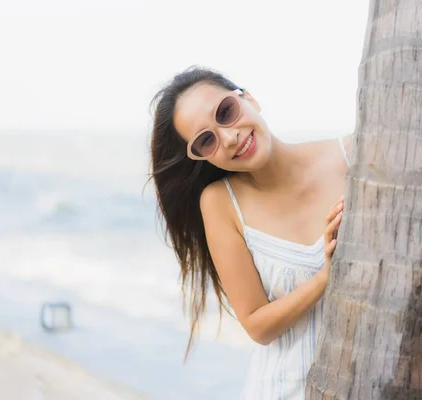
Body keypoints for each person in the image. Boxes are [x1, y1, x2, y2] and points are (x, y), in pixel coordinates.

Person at [149, 66, 351, 399]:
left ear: (250, 99)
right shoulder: (220, 203)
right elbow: (257, 323)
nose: (229, 137)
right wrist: (325, 278)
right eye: (206, 140)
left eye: (226, 112)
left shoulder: (348, 156)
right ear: (202, 157)